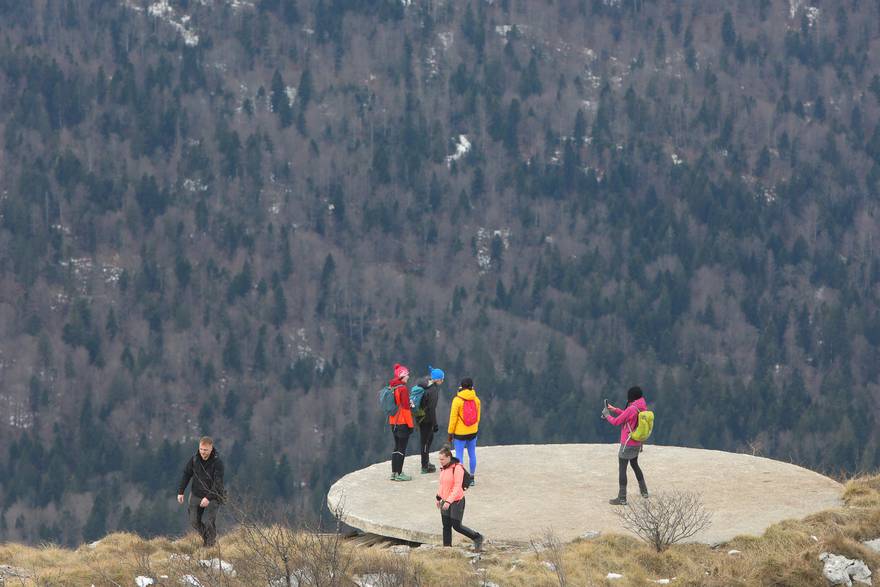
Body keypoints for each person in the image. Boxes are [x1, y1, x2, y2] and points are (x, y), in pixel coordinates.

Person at [603, 386, 649, 506]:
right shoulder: (641, 406)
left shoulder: (631, 408)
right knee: (635, 464)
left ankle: (622, 498)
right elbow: (628, 415)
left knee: (622, 469)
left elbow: (616, 422)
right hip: (637, 442)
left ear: (631, 397)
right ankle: (644, 491)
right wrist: (615, 409)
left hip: (627, 443)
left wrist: (607, 415)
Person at [177, 436, 225, 547]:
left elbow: (218, 484)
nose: (203, 452)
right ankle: (207, 539)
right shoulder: (194, 459)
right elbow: (186, 474)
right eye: (201, 449)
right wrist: (181, 491)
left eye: (205, 450)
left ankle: (210, 545)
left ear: (211, 448)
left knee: (209, 522)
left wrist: (208, 498)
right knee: (194, 521)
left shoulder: (218, 463)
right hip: (196, 494)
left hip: (213, 496)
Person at [436, 446, 484, 550]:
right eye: (439, 459)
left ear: (449, 457)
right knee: (446, 526)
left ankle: (477, 537)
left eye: (442, 459)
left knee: (456, 526)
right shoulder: (443, 468)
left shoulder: (457, 468)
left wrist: (448, 501)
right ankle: (447, 548)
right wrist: (438, 497)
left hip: (457, 501)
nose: (440, 462)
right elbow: (442, 484)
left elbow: (457, 487)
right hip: (445, 500)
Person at [447, 377, 480, 486]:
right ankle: (472, 477)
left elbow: (453, 418)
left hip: (460, 433)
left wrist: (450, 432)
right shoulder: (476, 400)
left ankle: (460, 479)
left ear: (461, 386)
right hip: (473, 431)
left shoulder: (457, 400)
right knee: (472, 454)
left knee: (459, 455)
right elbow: (477, 418)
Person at [414, 365, 444, 474]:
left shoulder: (425, 383)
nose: (442, 381)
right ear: (438, 379)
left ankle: (426, 462)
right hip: (427, 419)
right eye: (441, 379)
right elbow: (431, 409)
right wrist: (435, 424)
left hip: (420, 417)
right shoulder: (433, 390)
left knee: (425, 441)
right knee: (426, 442)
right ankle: (425, 466)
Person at [388, 363, 414, 481]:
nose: (408, 377)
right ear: (402, 376)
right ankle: (399, 473)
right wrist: (410, 425)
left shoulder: (392, 387)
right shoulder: (402, 389)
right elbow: (405, 409)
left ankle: (394, 473)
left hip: (393, 421)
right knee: (402, 448)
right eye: (407, 375)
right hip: (402, 422)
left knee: (396, 447)